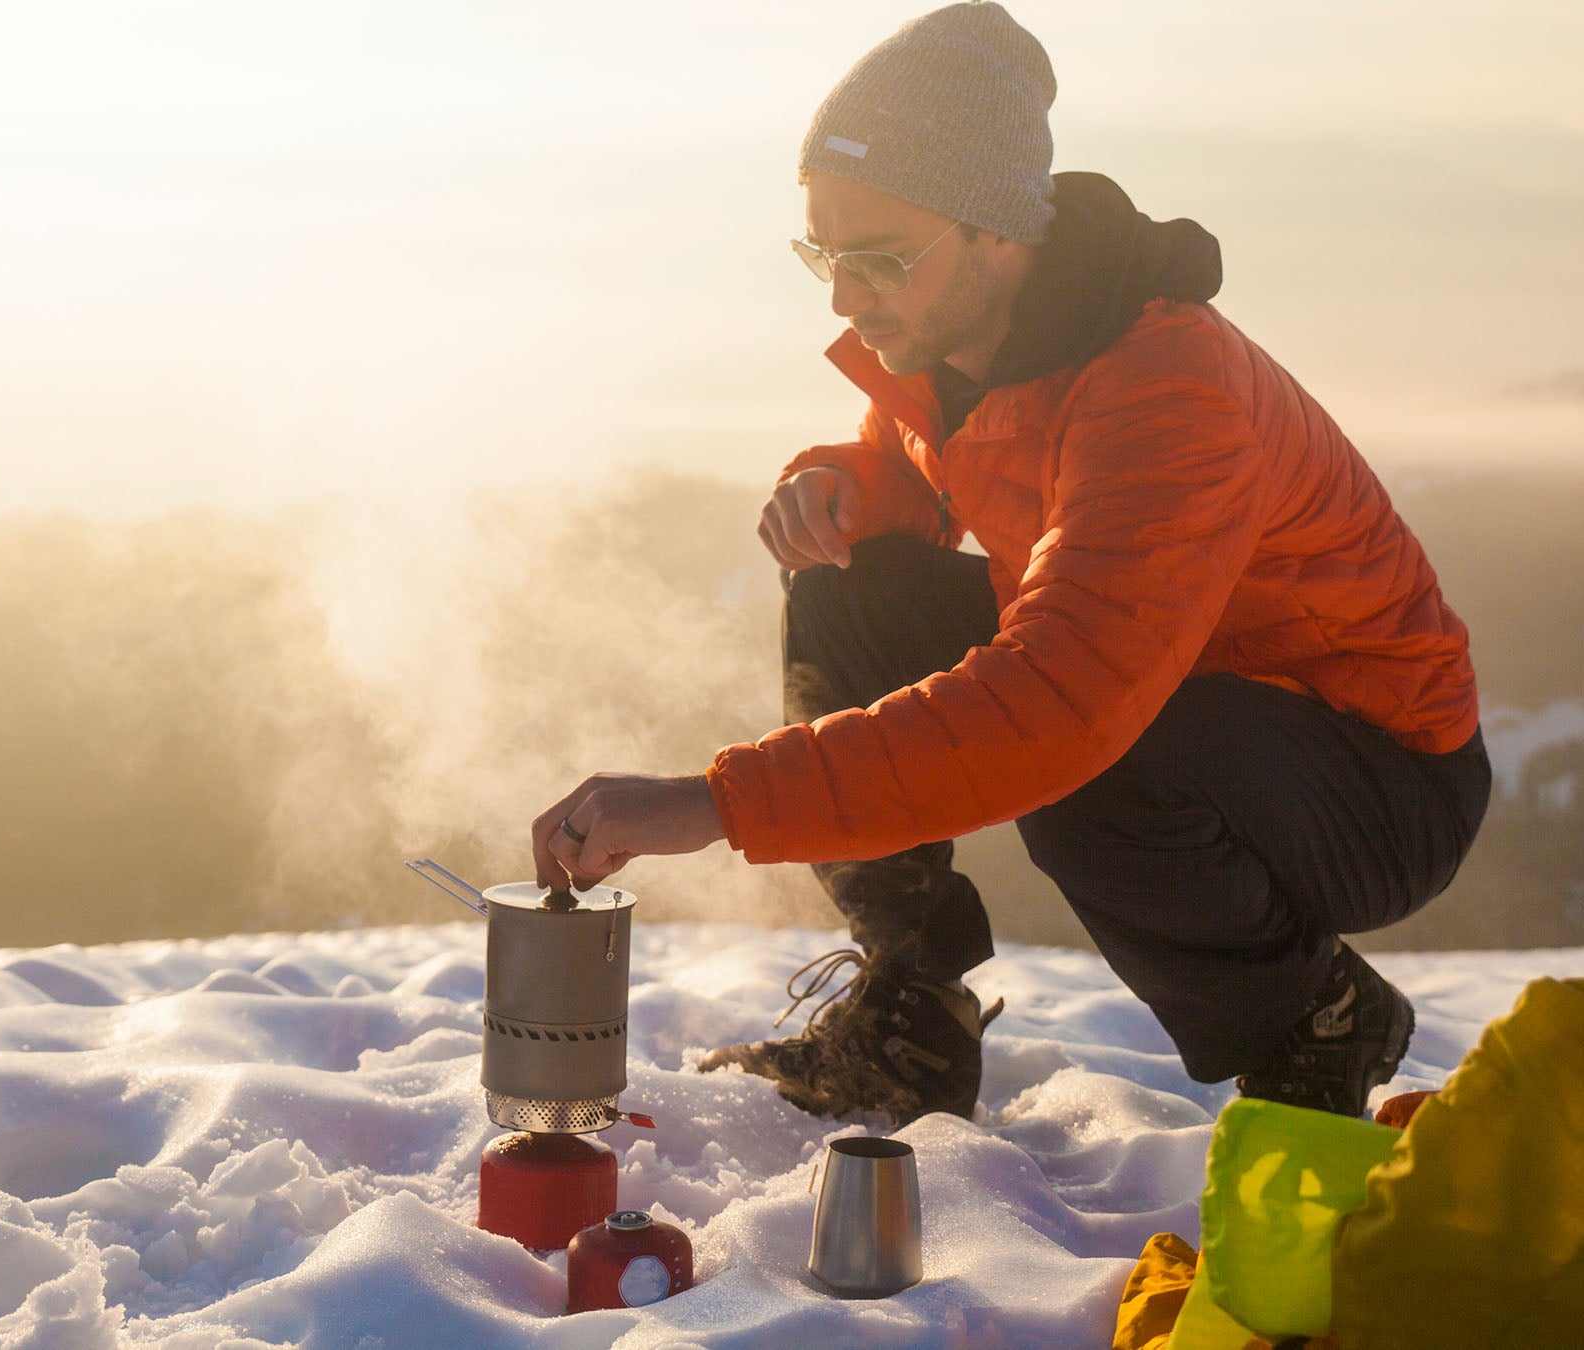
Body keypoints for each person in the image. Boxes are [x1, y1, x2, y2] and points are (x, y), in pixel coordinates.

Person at [530, 2, 1490, 1127]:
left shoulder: (1165, 390)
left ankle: (1313, 1013)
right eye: (823, 254)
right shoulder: (975, 340)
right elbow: (930, 457)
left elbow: (1060, 703)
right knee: (855, 586)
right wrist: (854, 487)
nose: (843, 297)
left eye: (878, 258)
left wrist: (711, 804)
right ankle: (912, 1014)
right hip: (1195, 697)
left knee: (1094, 760)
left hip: (1374, 780)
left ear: (999, 233)